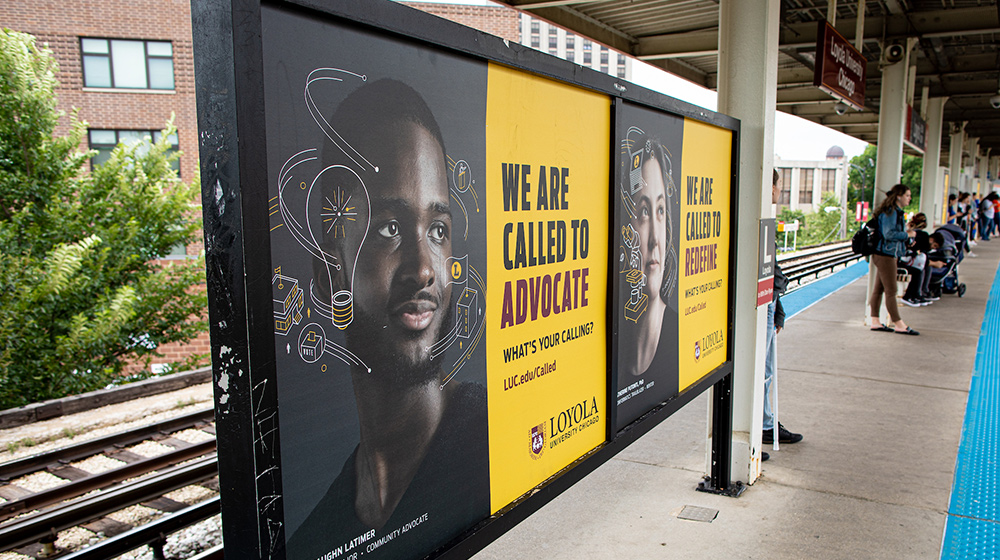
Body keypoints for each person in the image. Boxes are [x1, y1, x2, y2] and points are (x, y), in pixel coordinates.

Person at [288, 79, 488, 559]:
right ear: (327, 272)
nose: (422, 269)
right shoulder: (313, 540)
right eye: (388, 228)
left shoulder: (496, 445)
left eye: (438, 230)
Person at [620, 135, 677, 377]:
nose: (655, 238)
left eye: (660, 210)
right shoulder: (616, 337)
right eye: (643, 212)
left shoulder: (677, 336)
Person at [761, 169, 802, 460]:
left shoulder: (766, 221)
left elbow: (771, 271)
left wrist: (779, 308)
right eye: (779, 186)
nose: (780, 192)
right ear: (771, 187)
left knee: (765, 370)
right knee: (760, 371)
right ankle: (758, 427)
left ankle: (762, 423)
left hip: (769, 302)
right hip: (762, 305)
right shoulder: (761, 220)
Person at [869, 183, 918, 335]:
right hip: (886, 254)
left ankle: (875, 321)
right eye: (907, 195)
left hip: (883, 253)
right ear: (898, 196)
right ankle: (899, 324)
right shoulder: (891, 213)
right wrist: (908, 235)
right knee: (891, 290)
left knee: (879, 289)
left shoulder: (893, 212)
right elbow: (888, 234)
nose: (909, 198)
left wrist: (907, 238)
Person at [899, 213, 933, 307]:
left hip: (902, 259)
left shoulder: (906, 231)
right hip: (905, 261)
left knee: (920, 268)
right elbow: (926, 248)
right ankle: (913, 295)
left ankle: (915, 294)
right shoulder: (923, 235)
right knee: (919, 270)